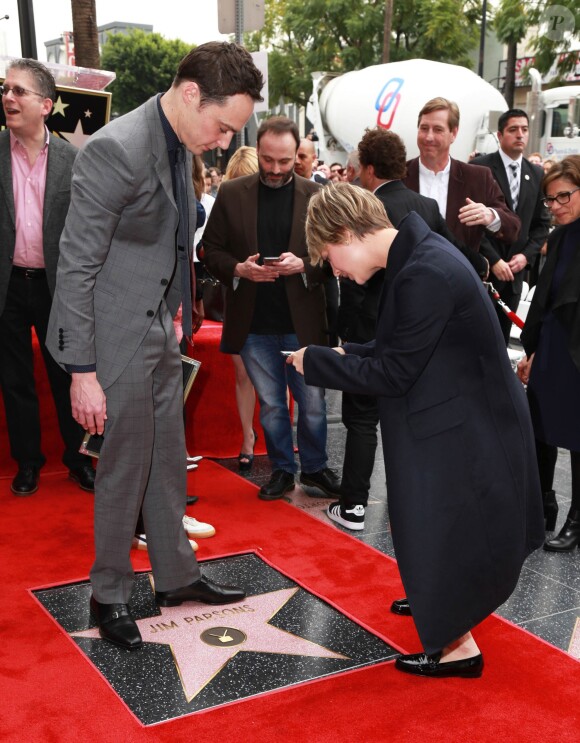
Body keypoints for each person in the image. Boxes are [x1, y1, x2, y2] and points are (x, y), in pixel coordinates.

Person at [46, 42, 264, 651]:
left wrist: (177, 315)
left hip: (161, 331)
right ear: (192, 94)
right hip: (114, 339)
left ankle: (175, 576)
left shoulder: (178, 142)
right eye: (221, 127)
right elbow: (77, 264)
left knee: (169, 458)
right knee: (124, 467)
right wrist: (82, 369)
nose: (223, 142)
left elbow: (168, 241)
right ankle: (108, 590)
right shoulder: (119, 148)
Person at [288, 182, 543, 678]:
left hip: (464, 424)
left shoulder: (421, 269)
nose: (334, 270)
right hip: (457, 413)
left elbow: (394, 372)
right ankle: (442, 602)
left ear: (346, 232)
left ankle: (456, 646)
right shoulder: (417, 255)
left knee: (444, 526)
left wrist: (319, 361)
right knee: (441, 528)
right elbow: (401, 346)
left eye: (330, 256)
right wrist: (346, 353)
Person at [329, 127, 487, 531]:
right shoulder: (425, 206)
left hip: (374, 328)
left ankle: (354, 506)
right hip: (422, 337)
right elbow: (458, 253)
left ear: (366, 168)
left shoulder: (362, 210)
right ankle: (415, 511)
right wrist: (486, 265)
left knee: (362, 419)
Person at [203, 116, 341, 501]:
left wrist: (305, 265)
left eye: (285, 161)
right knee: (272, 406)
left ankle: (314, 469)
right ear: (258, 152)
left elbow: (336, 255)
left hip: (304, 322)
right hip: (255, 323)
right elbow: (209, 250)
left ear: (297, 154)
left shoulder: (317, 195)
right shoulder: (232, 193)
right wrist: (238, 269)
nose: (276, 169)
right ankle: (282, 468)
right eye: (268, 160)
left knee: (313, 403)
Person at [0, 58, 95, 496]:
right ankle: (28, 462)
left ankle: (79, 459)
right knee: (15, 379)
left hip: (58, 288)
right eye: (5, 89)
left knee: (66, 376)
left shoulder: (73, 161)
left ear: (45, 104)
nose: (8, 98)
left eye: (19, 91)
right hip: (6, 286)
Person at [518, 155, 580, 551]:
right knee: (540, 428)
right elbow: (544, 299)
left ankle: (577, 519)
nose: (555, 206)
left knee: (576, 437)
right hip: (555, 345)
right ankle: (544, 507)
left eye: (564, 197)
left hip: (577, 350)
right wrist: (534, 351)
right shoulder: (557, 238)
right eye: (550, 200)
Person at [403, 97, 521, 259]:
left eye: (438, 130)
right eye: (424, 128)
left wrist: (490, 216)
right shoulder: (399, 175)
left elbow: (513, 229)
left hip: (459, 279)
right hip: (407, 278)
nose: (429, 137)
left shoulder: (478, 178)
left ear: (454, 133)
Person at [472, 109, 550, 344]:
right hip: (483, 270)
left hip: (515, 276)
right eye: (513, 129)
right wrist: (493, 260)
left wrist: (526, 257)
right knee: (475, 339)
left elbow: (541, 224)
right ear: (500, 134)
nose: (520, 135)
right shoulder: (480, 168)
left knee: (502, 341)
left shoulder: (535, 173)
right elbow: (470, 221)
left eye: (524, 130)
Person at [220, 146, 260, 470]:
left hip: (274, 298)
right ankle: (248, 436)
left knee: (279, 372)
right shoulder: (226, 204)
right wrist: (235, 266)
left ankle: (274, 436)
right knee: (242, 373)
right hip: (238, 297)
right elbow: (212, 251)